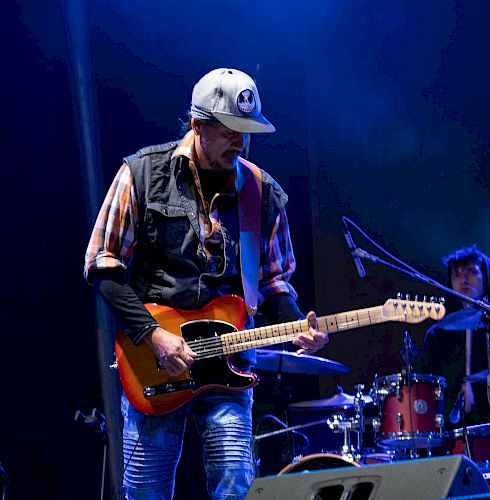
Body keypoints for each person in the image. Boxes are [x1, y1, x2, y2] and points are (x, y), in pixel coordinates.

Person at [84, 67, 328, 499]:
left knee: (234, 483)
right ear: (198, 126)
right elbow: (103, 265)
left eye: (246, 132)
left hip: (229, 363)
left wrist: (296, 323)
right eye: (230, 130)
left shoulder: (262, 192)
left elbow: (272, 282)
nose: (240, 140)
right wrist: (154, 335)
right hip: (154, 360)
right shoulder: (142, 173)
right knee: (146, 491)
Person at [421, 245, 490, 427]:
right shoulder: (437, 335)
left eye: (471, 272)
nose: (463, 280)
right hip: (453, 431)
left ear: (486, 276)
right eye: (456, 275)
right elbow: (427, 389)